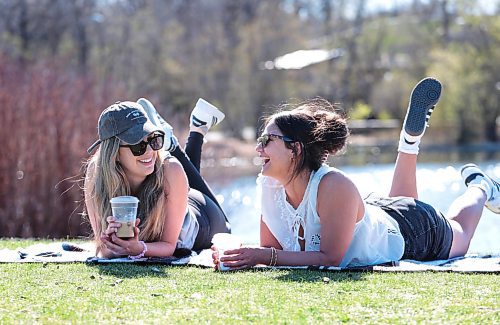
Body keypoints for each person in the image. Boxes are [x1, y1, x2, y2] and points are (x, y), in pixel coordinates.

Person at [214, 77, 500, 269]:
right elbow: (272, 248)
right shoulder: (270, 184)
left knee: (460, 233)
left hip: (414, 232)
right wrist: (237, 255)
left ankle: (481, 187)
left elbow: (331, 258)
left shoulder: (332, 185)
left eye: (267, 141)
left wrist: (263, 256)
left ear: (295, 149)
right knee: (405, 204)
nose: (257, 148)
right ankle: (409, 143)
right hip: (380, 216)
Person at [84, 98, 230, 259]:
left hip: (202, 223)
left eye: (153, 140)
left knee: (227, 228)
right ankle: (190, 132)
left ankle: (183, 140)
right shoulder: (96, 174)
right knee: (177, 173)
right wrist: (113, 244)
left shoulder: (170, 169)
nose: (149, 151)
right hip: (176, 194)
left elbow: (169, 247)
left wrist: (139, 247)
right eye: (138, 146)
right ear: (114, 153)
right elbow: (102, 249)